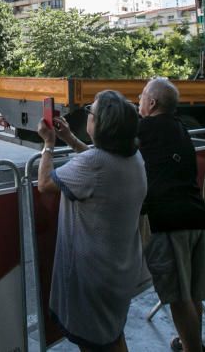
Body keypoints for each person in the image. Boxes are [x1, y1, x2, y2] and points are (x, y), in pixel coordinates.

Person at [36, 90, 146, 352]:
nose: (88, 116)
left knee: (94, 342)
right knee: (113, 334)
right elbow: (99, 164)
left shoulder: (94, 163)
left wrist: (49, 144)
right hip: (120, 269)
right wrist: (70, 139)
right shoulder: (132, 156)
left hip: (93, 275)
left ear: (103, 124)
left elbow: (44, 183)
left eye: (91, 112)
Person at [137, 78, 205, 352]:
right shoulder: (180, 127)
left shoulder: (145, 128)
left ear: (152, 102)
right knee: (192, 292)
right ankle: (190, 341)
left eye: (143, 96)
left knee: (178, 297)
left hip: (168, 222)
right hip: (196, 215)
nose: (139, 100)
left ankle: (193, 349)